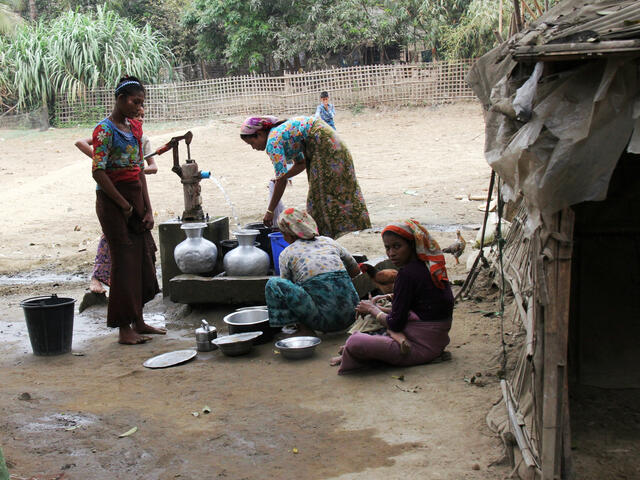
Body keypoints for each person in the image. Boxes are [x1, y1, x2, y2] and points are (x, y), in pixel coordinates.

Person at [91, 76, 164, 344]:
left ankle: (140, 322)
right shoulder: (104, 130)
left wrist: (148, 209)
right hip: (113, 203)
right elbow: (98, 172)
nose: (138, 107)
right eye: (135, 101)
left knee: (144, 257)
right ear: (120, 99)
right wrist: (123, 205)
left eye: (141, 102)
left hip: (135, 197)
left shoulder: (134, 128)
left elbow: (139, 171)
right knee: (123, 263)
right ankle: (124, 329)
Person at [332, 219, 454, 374]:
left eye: (397, 246)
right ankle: (367, 347)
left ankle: (358, 352)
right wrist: (384, 302)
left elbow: (395, 323)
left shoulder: (407, 274)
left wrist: (372, 309)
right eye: (387, 248)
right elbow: (417, 302)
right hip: (435, 339)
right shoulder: (428, 267)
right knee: (375, 318)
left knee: (356, 341)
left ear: (412, 245)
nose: (391, 253)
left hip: (421, 346)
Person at [240, 116, 371, 238]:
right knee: (323, 194)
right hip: (329, 142)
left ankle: (323, 238)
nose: (253, 148)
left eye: (252, 143)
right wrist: (282, 177)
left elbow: (282, 181)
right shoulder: (280, 135)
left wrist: (270, 211)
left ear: (261, 134)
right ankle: (328, 236)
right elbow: (300, 164)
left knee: (320, 194)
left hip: (324, 145)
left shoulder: (272, 142)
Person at [76, 106, 157, 295]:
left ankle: (136, 304)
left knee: (137, 247)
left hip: (134, 191)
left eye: (143, 116)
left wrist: (131, 169)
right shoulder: (108, 130)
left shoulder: (141, 138)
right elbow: (82, 144)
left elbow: (150, 168)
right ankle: (99, 278)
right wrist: (106, 161)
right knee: (114, 244)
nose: (140, 119)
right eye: (137, 115)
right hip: (114, 193)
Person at [265, 207, 360, 334]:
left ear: (286, 234)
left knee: (274, 284)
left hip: (322, 321)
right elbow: (355, 271)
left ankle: (301, 330)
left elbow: (286, 288)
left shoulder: (286, 253)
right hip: (353, 315)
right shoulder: (329, 242)